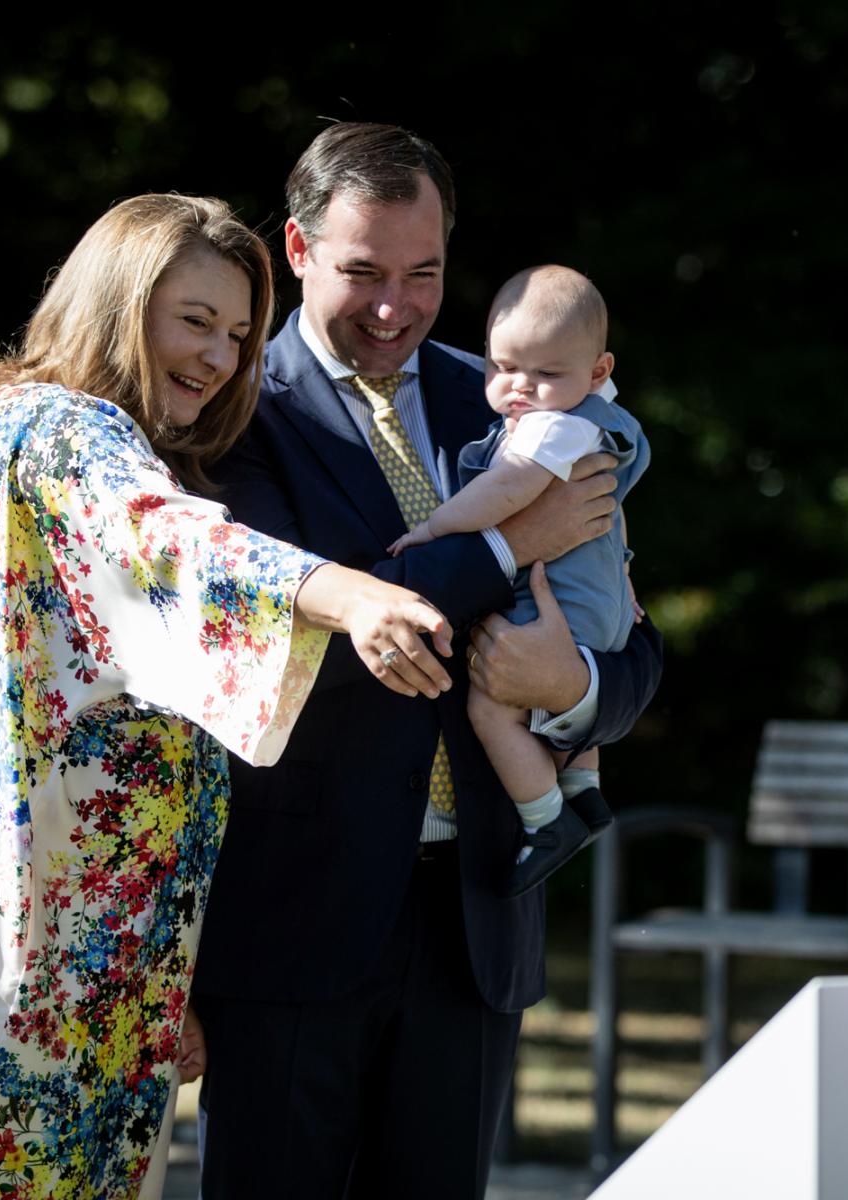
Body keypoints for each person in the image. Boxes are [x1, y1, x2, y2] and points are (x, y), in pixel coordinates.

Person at [0, 194, 452, 1200]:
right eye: (194, 319)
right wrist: (344, 593)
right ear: (118, 306)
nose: (218, 358)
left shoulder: (36, 438)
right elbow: (166, 539)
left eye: (238, 334)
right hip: (18, 949)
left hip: (50, 944)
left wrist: (169, 973)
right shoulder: (63, 433)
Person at [191, 124, 664, 1200]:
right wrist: (504, 547)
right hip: (291, 924)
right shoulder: (231, 414)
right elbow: (298, 642)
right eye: (363, 272)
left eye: (425, 274)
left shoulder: (514, 392)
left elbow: (626, 638)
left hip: (475, 924)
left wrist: (575, 691)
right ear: (297, 250)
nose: (396, 309)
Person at [388, 265, 649, 897]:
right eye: (502, 367)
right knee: (565, 674)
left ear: (598, 372)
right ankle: (583, 789)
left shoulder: (552, 426)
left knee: (494, 705)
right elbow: (611, 515)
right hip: (605, 599)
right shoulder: (597, 420)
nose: (520, 389)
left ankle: (546, 819)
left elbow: (505, 491)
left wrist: (434, 529)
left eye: (546, 374)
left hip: (560, 601)